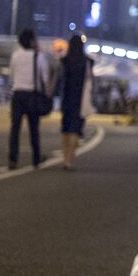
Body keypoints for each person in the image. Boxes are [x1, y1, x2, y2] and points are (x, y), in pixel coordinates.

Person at [9, 29, 52, 168]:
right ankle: (36, 158)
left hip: (17, 94)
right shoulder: (38, 56)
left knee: (15, 128)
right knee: (34, 129)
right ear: (32, 41)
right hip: (32, 95)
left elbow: (11, 76)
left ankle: (12, 159)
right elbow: (44, 77)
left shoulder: (15, 56)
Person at [59, 35, 93, 171]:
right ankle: (70, 159)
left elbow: (60, 79)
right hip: (80, 99)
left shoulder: (64, 61)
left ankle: (64, 158)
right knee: (75, 129)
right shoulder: (87, 61)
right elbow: (91, 80)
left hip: (66, 97)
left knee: (65, 129)